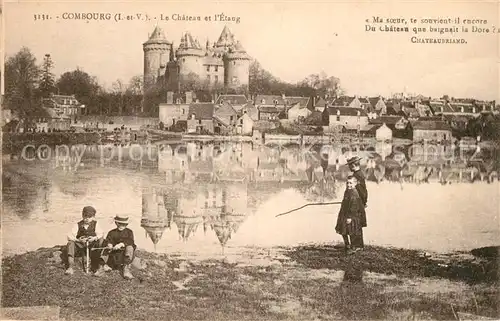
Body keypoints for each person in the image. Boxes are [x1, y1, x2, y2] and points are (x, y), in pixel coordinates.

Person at [65, 206, 106, 275]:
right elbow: (69, 235)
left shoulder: (96, 224)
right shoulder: (78, 224)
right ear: (82, 215)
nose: (87, 219)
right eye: (85, 216)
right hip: (80, 245)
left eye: (89, 217)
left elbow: (100, 234)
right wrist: (78, 240)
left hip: (92, 245)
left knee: (102, 240)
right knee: (70, 243)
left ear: (93, 217)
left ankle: (100, 265)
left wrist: (94, 238)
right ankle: (70, 267)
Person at [97, 215, 136, 279]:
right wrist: (109, 244)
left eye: (124, 224)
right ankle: (101, 267)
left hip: (124, 255)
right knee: (106, 247)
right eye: (119, 224)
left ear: (127, 224)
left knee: (130, 247)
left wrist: (121, 244)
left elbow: (130, 241)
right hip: (113, 255)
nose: (121, 226)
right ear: (116, 223)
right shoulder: (111, 232)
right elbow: (108, 240)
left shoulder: (129, 232)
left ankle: (126, 269)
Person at [335, 176, 366, 254]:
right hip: (344, 213)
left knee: (352, 231)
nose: (349, 185)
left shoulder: (354, 193)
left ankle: (354, 247)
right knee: (342, 229)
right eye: (347, 183)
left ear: (355, 184)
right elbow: (345, 201)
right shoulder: (347, 191)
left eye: (351, 183)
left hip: (352, 215)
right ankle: (347, 245)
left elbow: (354, 207)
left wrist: (350, 217)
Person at [347, 156, 368, 249]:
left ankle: (357, 245)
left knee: (354, 223)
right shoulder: (360, 174)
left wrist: (359, 201)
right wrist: (364, 201)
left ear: (353, 165)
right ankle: (358, 245)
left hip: (356, 202)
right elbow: (364, 191)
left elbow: (360, 191)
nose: (349, 167)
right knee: (356, 223)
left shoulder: (356, 176)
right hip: (359, 201)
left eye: (349, 165)